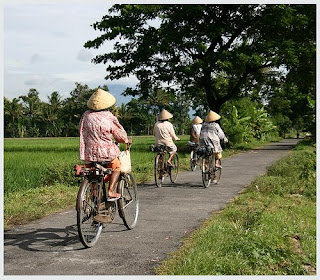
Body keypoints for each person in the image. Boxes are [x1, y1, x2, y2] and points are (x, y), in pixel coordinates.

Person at [79, 88, 131, 201]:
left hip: (88, 153)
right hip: (106, 153)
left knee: (92, 173)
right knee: (116, 166)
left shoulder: (86, 115)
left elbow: (82, 130)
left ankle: (94, 194)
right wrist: (126, 140)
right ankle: (110, 191)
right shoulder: (108, 116)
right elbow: (119, 135)